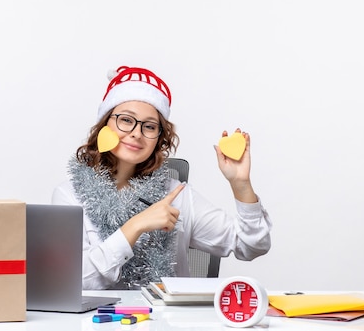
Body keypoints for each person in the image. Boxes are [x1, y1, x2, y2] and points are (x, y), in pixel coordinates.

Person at [52, 65, 272, 290]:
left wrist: (240, 183)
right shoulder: (70, 195)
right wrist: (135, 226)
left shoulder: (176, 195)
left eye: (149, 126)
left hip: (165, 322)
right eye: (126, 120)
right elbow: (70, 280)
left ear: (159, 139)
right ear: (104, 124)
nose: (137, 133)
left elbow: (251, 245)